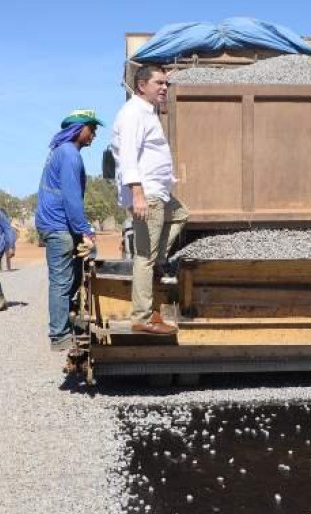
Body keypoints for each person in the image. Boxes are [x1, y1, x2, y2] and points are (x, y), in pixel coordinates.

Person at [111, 65, 189, 335]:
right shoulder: (133, 114)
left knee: (181, 214)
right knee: (143, 256)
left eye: (166, 83)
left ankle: (158, 259)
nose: (165, 87)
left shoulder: (147, 113)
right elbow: (129, 156)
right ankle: (142, 318)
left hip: (158, 192)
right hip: (148, 193)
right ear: (142, 85)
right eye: (160, 83)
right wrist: (138, 194)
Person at [36, 109, 101, 351]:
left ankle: (72, 318)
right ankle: (60, 335)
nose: (94, 134)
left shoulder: (59, 152)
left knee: (76, 272)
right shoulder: (69, 154)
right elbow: (72, 198)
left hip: (57, 225)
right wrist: (85, 230)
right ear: (78, 129)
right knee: (62, 281)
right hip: (59, 227)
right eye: (91, 128)